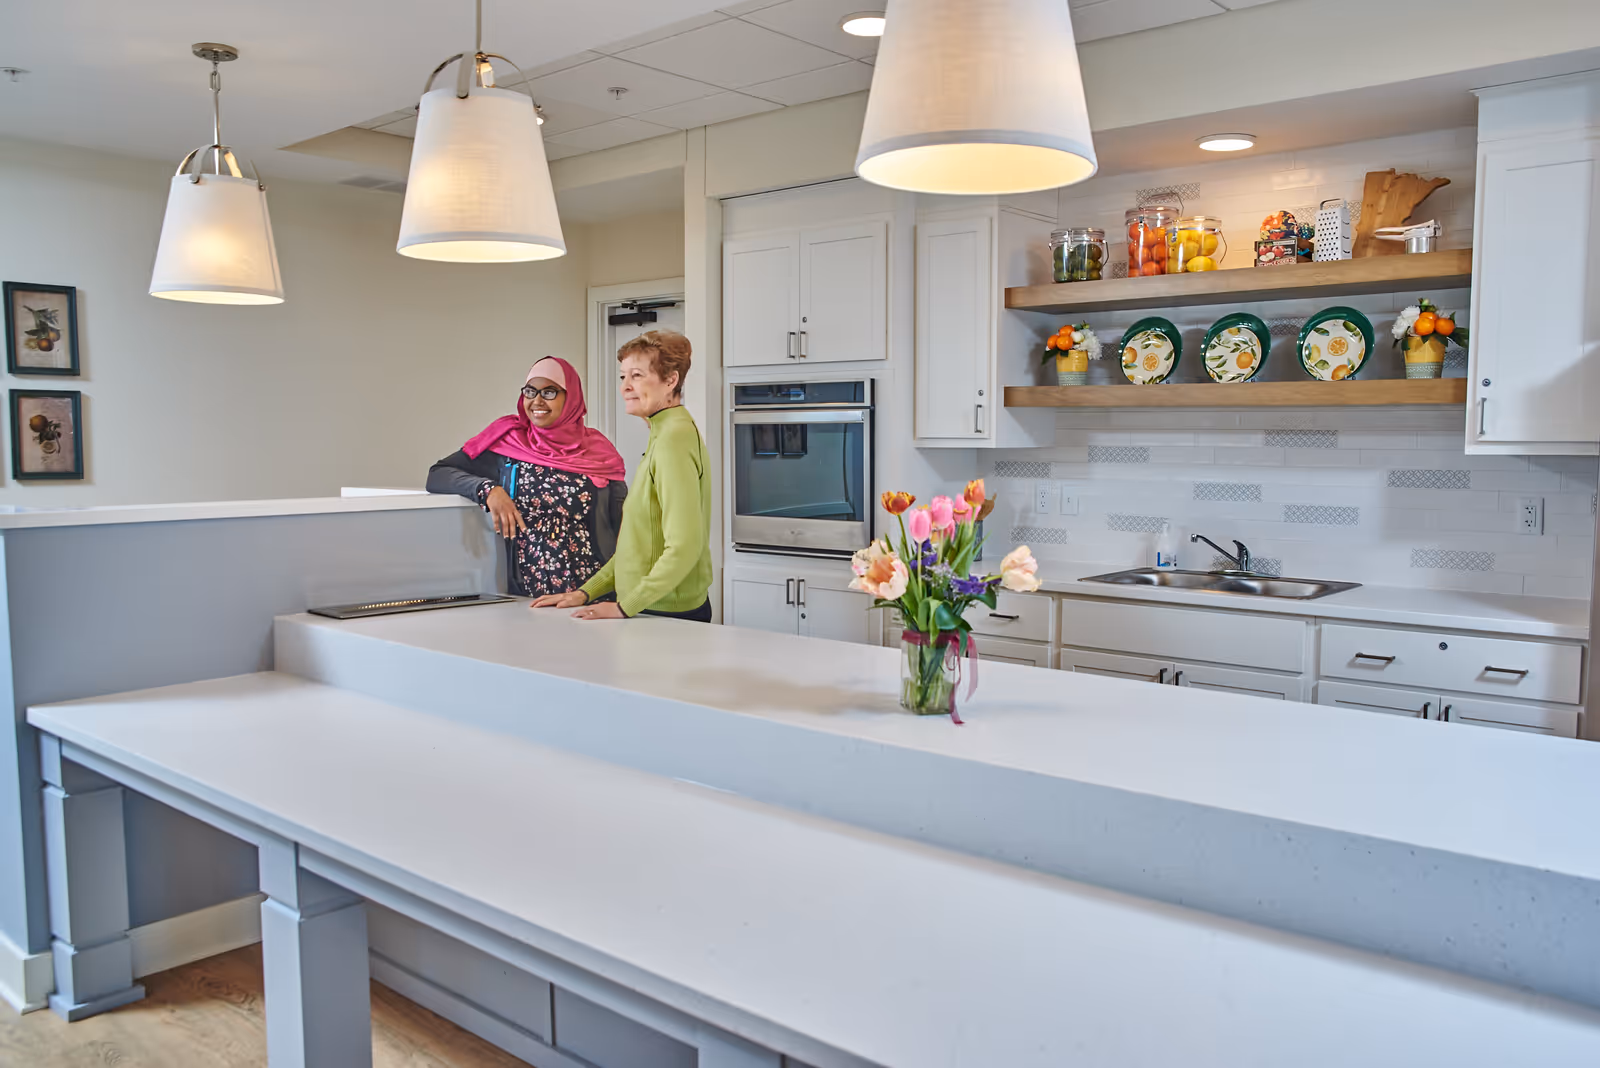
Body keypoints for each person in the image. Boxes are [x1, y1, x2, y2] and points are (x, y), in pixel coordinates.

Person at [531, 330, 713, 621]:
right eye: (622, 377)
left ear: (670, 380)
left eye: (637, 375)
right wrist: (586, 592)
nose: (626, 387)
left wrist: (624, 606)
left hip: (662, 613)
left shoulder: (672, 441)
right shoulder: (665, 432)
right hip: (648, 606)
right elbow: (636, 546)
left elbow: (685, 546)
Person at [427, 356, 627, 598]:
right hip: (527, 595)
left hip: (592, 593)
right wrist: (489, 490)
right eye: (530, 391)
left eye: (550, 392)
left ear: (571, 397)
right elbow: (438, 475)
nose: (537, 401)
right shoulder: (509, 444)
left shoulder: (597, 451)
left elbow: (624, 529)